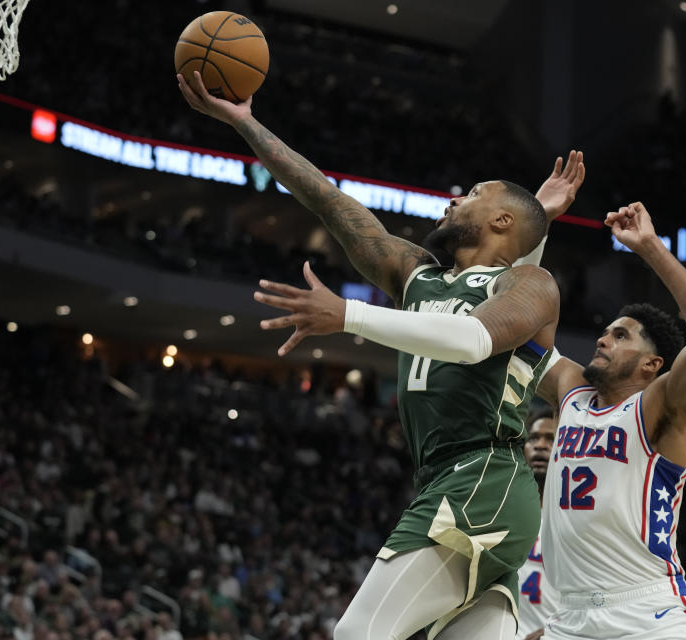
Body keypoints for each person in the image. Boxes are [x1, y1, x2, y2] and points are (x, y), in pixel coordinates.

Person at [178, 71, 584, 639]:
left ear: (500, 222)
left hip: (482, 480)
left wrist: (347, 315)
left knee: (357, 635)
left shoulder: (530, 286)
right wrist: (247, 125)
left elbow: (471, 341)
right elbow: (328, 199)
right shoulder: (418, 275)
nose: (452, 200)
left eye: (471, 195)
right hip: (448, 482)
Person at [534, 202, 686, 639]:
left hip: (646, 613)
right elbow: (516, 329)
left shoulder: (659, 404)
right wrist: (538, 221)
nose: (603, 338)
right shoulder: (570, 389)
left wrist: (650, 248)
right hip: (568, 617)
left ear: (652, 364)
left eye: (621, 335)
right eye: (606, 331)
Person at [516, 407, 559, 640]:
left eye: (551, 439)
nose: (540, 445)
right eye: (533, 438)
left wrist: (553, 632)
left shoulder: (577, 521)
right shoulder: (501, 511)